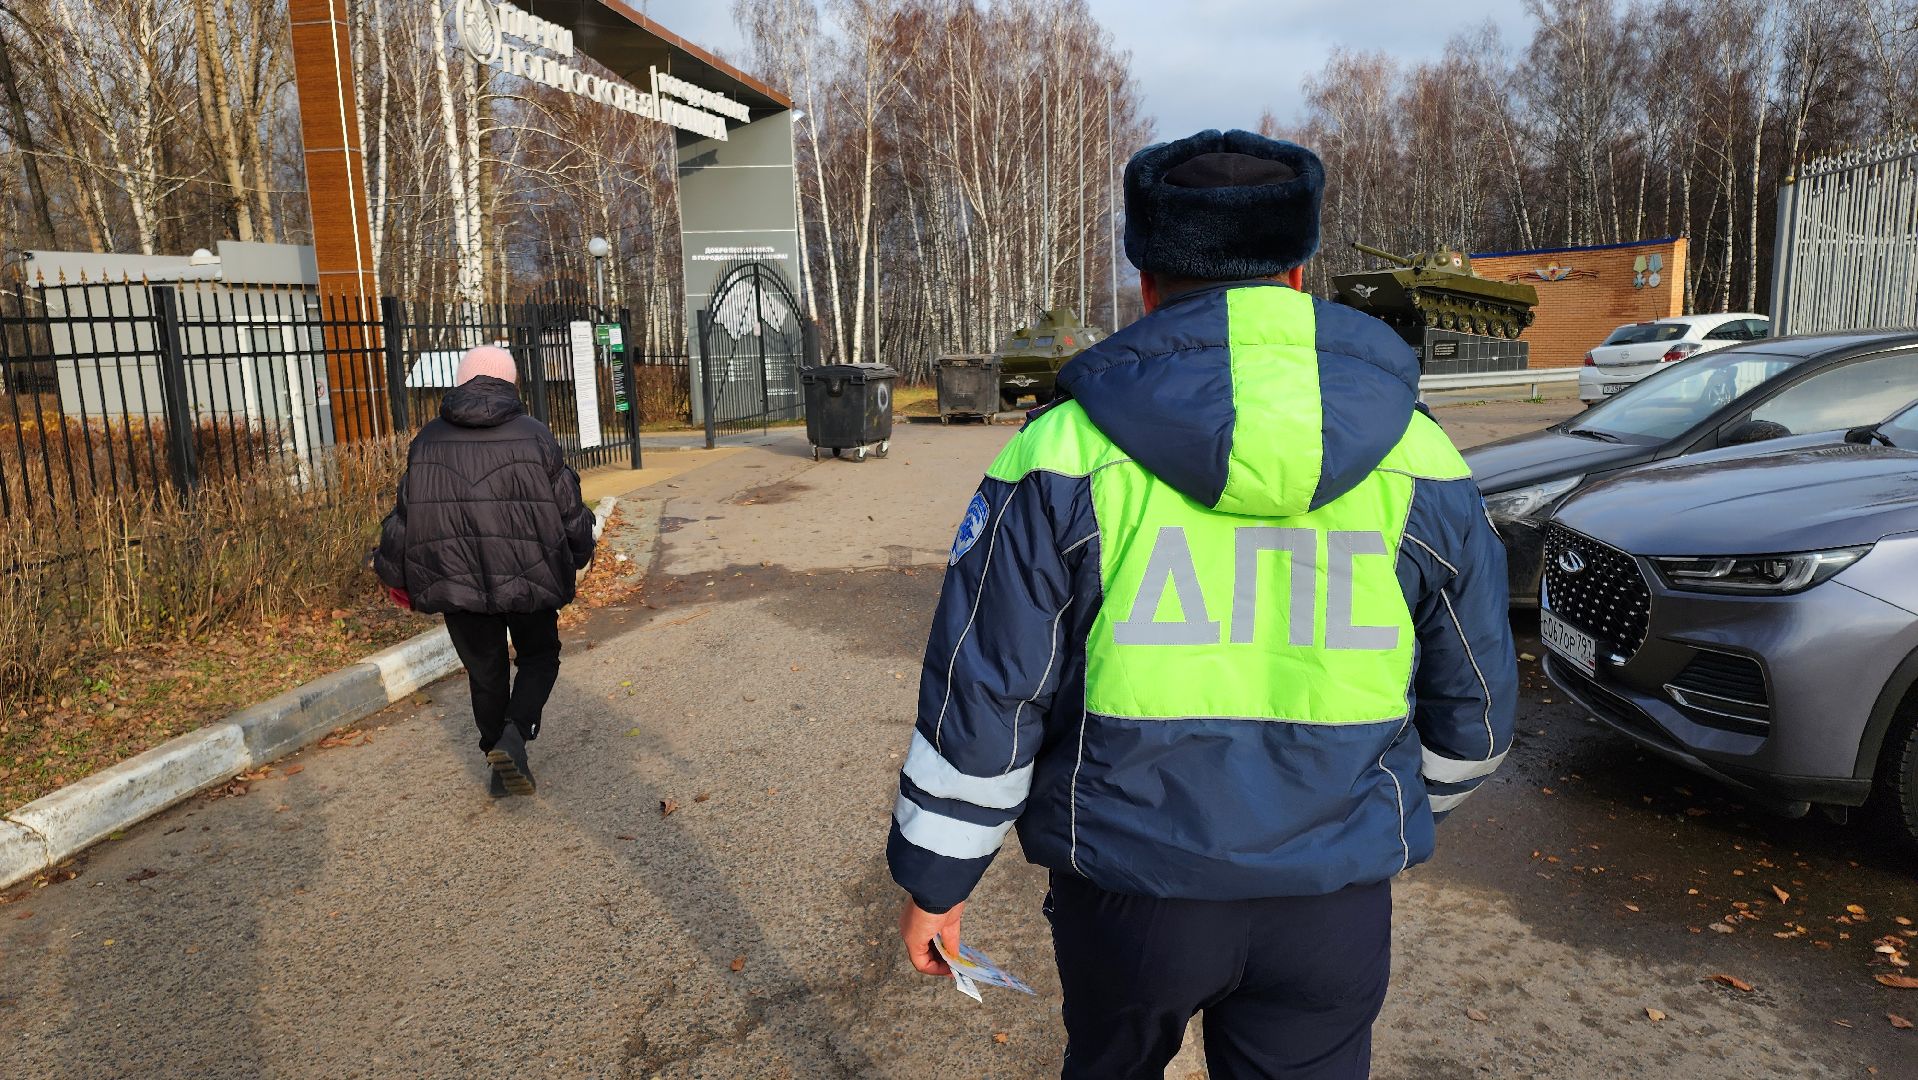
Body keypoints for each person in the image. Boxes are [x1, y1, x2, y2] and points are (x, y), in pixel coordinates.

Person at [886, 130, 1517, 1078]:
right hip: (1331, 907)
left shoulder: (1060, 452)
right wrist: (1369, 810)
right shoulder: (1419, 454)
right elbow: (1477, 705)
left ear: (1147, 284)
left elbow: (991, 692)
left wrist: (938, 877)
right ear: (1297, 276)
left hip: (1130, 898)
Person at [373, 345, 596, 798]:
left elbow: (406, 515)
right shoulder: (534, 434)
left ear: (461, 382)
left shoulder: (428, 439)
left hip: (455, 579)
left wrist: (392, 571)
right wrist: (580, 551)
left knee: (486, 672)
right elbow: (568, 507)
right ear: (510, 382)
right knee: (539, 656)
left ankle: (498, 757)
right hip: (530, 575)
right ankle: (515, 735)